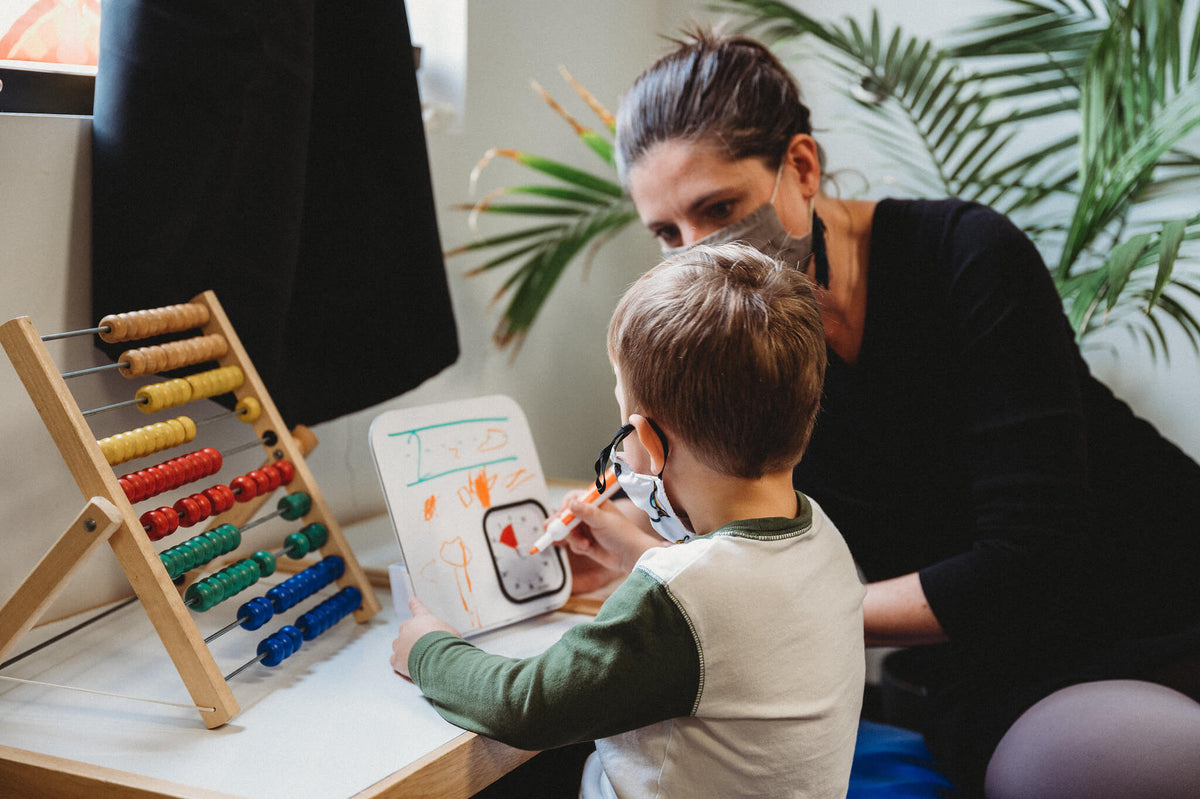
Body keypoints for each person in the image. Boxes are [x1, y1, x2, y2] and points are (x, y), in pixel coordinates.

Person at [571, 29, 1200, 799]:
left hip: (1168, 587)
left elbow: (1029, 556)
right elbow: (749, 546)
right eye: (669, 234)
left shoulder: (967, 255)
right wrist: (650, 540)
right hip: (993, 668)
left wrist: (768, 605)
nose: (699, 253)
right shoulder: (743, 358)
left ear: (800, 167)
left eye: (720, 208)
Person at [391, 242, 866, 798]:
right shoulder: (822, 536)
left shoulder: (677, 600)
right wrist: (637, 552)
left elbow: (523, 706)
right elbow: (745, 616)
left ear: (645, 440)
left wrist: (427, 650)